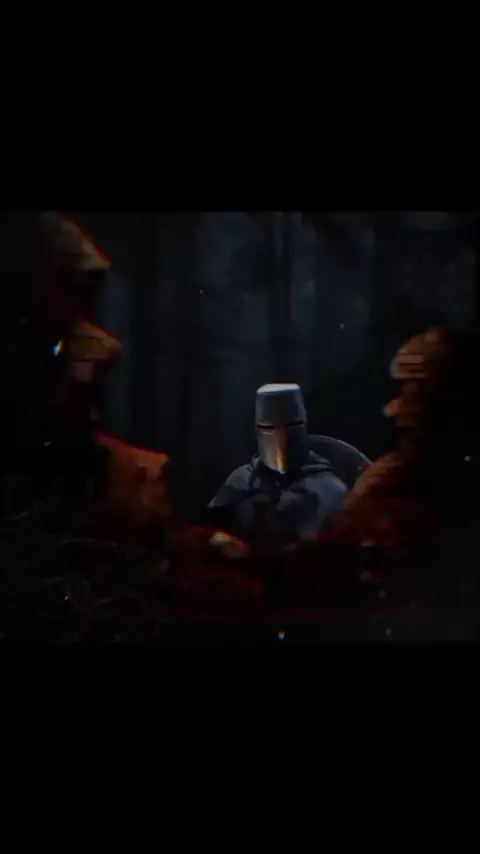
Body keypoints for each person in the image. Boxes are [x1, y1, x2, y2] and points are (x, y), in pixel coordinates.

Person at [208, 383, 349, 547]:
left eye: (291, 425)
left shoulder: (330, 489)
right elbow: (214, 536)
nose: (281, 438)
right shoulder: (240, 482)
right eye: (268, 427)